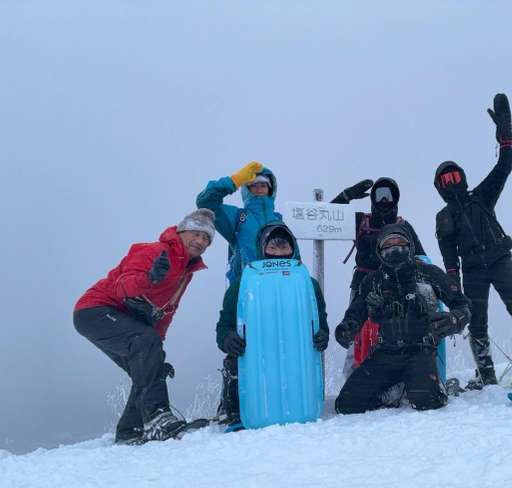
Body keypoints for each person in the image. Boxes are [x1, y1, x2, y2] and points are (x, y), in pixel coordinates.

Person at [434, 93, 512, 390]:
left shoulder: (482, 196)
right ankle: (487, 378)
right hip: (473, 270)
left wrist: (505, 138)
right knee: (477, 324)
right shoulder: (444, 217)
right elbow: (449, 260)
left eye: (455, 176)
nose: (453, 183)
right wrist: (454, 289)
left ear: (463, 177)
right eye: (446, 180)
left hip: (500, 261)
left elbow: (504, 167)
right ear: (440, 187)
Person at [73, 209, 215, 443]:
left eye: (206, 238)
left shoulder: (186, 272)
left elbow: (168, 309)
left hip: (128, 320)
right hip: (95, 310)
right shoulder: (154, 251)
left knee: (151, 366)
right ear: (181, 231)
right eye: (196, 233)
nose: (200, 241)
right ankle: (158, 417)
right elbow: (122, 286)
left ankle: (131, 431)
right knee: (147, 344)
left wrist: (157, 350)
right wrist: (149, 279)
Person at [333, 224, 470, 414]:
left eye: (399, 242)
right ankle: (396, 391)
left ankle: (438, 387)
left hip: (420, 351)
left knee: (428, 404)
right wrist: (345, 330)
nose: (394, 247)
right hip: (385, 352)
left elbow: (463, 306)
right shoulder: (372, 281)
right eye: (388, 244)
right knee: (346, 404)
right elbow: (354, 315)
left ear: (410, 245)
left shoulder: (429, 273)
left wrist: (454, 319)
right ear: (380, 250)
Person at [214, 222, 329, 425]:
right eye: (272, 247)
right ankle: (232, 408)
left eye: (284, 247)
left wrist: (322, 335)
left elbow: (320, 320)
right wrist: (228, 339)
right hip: (255, 361)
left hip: (296, 360)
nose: (278, 253)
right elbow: (224, 326)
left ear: (293, 248)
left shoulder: (308, 284)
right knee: (235, 365)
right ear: (262, 249)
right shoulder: (242, 284)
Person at [195, 161, 285, 422]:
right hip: (245, 290)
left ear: (271, 190)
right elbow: (205, 202)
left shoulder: (279, 220)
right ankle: (231, 407)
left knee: (277, 346)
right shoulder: (237, 217)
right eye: (253, 185)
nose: (258, 189)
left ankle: (275, 401)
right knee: (239, 347)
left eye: (263, 185)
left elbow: (293, 256)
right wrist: (233, 181)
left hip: (277, 293)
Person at [331, 177, 426, 376]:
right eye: (380, 195)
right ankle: (352, 378)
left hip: (396, 285)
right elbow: (328, 216)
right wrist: (347, 196)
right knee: (355, 330)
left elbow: (420, 256)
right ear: (373, 197)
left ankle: (394, 377)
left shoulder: (403, 226)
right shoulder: (361, 221)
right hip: (362, 285)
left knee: (393, 331)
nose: (384, 200)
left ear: (396, 198)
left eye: (388, 195)